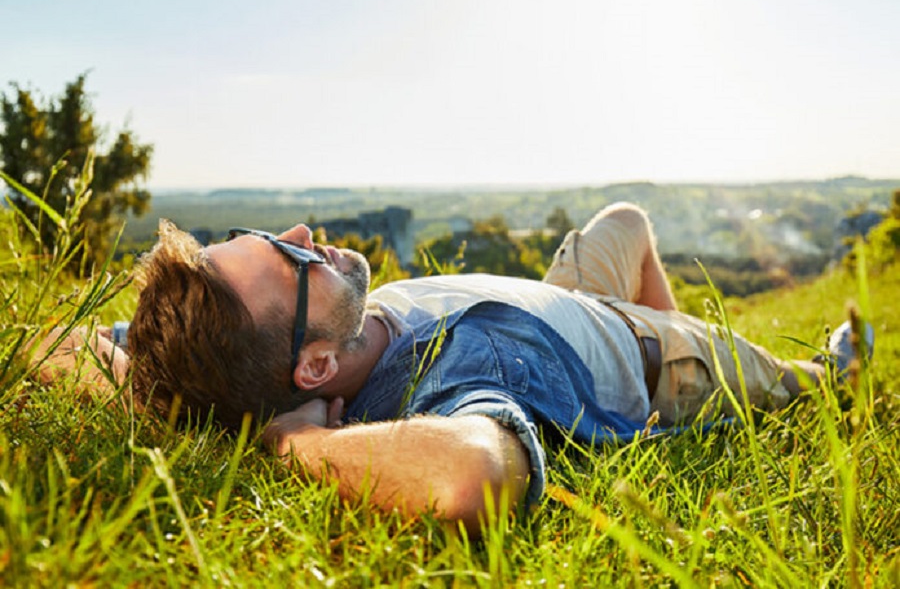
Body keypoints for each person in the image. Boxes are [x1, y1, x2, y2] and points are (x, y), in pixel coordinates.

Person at [33, 202, 871, 533]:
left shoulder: (253, 339)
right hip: (662, 360)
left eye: (264, 235)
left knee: (626, 221)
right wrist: (288, 446)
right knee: (811, 380)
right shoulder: (449, 373)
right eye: (291, 262)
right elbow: (470, 478)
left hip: (559, 294)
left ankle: (672, 309)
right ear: (316, 365)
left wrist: (178, 398)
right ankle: (838, 364)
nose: (299, 232)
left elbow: (51, 344)